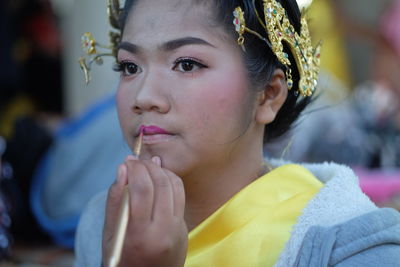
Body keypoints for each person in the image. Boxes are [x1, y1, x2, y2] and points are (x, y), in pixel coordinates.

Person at [74, 0, 400, 266]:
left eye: (186, 64)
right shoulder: (105, 223)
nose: (144, 96)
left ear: (269, 94)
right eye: (130, 67)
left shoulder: (353, 249)